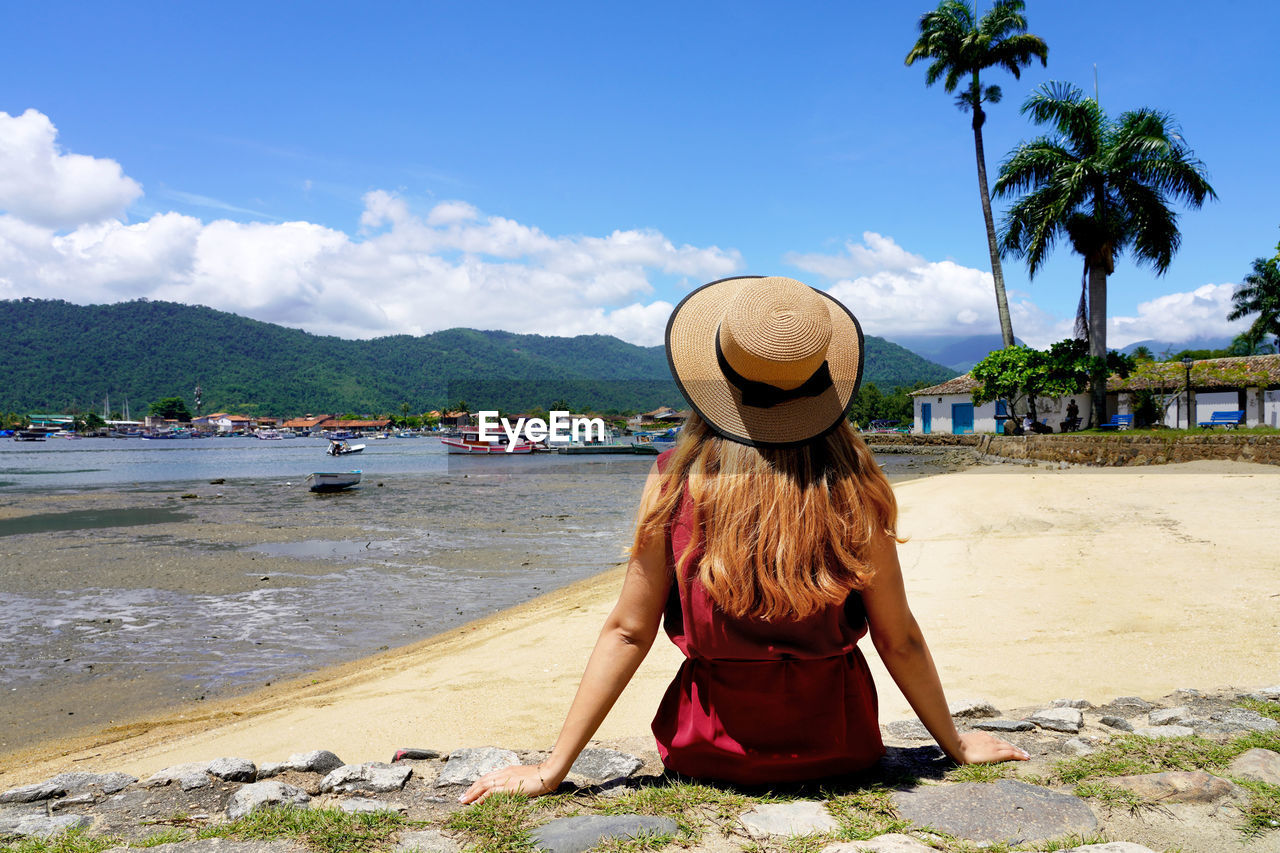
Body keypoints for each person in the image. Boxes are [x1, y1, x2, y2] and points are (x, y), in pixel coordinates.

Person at [461, 276, 1027, 804]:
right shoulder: (856, 484)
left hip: (709, 752)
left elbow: (629, 631)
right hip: (842, 748)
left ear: (716, 381)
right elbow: (897, 637)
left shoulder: (673, 478)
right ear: (824, 383)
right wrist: (952, 742)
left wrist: (551, 769)